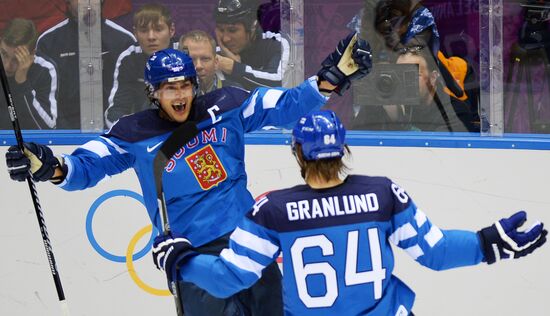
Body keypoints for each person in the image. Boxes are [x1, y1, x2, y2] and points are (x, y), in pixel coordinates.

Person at [5, 32, 372, 315]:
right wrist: (49, 166)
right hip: (194, 257)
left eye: (185, 86)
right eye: (169, 88)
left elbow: (283, 104)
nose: (179, 95)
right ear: (154, 92)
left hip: (250, 242)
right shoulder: (133, 133)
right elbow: (85, 166)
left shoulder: (228, 105)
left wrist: (331, 78)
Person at [150, 109, 547, 316]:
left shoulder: (271, 210)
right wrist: (487, 243)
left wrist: (182, 261)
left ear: (298, 152)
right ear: (343, 150)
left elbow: (226, 280)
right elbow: (437, 253)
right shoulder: (382, 194)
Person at [36, 0, 136, 129]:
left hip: (111, 131)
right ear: (68, 2)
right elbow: (43, 97)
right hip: (62, 133)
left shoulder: (124, 40)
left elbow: (132, 95)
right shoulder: (48, 41)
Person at [352, 46, 478, 132]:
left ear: (433, 77)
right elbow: (352, 143)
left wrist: (398, 123)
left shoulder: (456, 111)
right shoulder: (383, 105)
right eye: (400, 74)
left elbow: (436, 158)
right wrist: (390, 116)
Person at [104, 3, 177, 128]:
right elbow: (114, 112)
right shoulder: (129, 58)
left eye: (158, 30)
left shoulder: (186, 53)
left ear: (171, 31)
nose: (151, 37)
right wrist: (138, 131)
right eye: (144, 30)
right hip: (142, 133)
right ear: (135, 33)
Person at [214, 0, 290, 90]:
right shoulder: (214, 56)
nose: (225, 39)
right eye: (221, 30)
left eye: (232, 30)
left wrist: (234, 68)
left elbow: (279, 82)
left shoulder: (276, 43)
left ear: (252, 27)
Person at [0, 18, 58, 130]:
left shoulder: (45, 69)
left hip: (30, 142)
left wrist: (22, 83)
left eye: (16, 59)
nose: (7, 66)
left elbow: (48, 127)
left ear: (32, 54)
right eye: (4, 54)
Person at [179, 30, 240, 95]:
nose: (198, 66)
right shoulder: (170, 97)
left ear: (216, 63)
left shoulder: (235, 93)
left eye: (205, 59)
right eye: (190, 60)